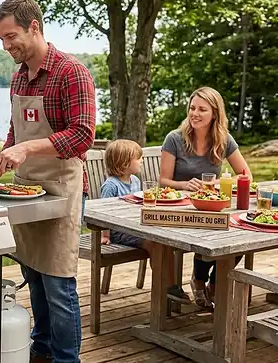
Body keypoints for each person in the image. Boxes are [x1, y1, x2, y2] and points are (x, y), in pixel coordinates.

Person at [0, 0, 95, 363]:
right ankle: (41, 349)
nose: (6, 46)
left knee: (59, 285)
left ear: (35, 27)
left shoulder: (70, 72)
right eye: (1, 39)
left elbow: (82, 135)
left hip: (61, 190)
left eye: (11, 36)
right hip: (25, 192)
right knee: (33, 275)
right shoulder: (19, 78)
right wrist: (3, 158)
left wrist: (27, 150)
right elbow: (17, 132)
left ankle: (66, 359)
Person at [159, 86, 252, 309]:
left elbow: (246, 174)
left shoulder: (223, 139)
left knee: (243, 235)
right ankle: (199, 279)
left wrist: (218, 183)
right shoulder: (175, 139)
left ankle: (215, 281)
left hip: (211, 206)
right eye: (192, 108)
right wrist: (184, 184)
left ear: (214, 114)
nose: (195, 114)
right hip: (180, 210)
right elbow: (163, 180)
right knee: (211, 233)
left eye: (202, 109)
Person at [99, 139, 191, 304]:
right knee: (154, 243)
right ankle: (166, 287)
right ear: (125, 162)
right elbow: (103, 213)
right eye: (138, 158)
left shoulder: (134, 180)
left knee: (166, 240)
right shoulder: (111, 186)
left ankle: (171, 286)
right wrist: (105, 235)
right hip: (119, 232)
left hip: (136, 227)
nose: (141, 161)